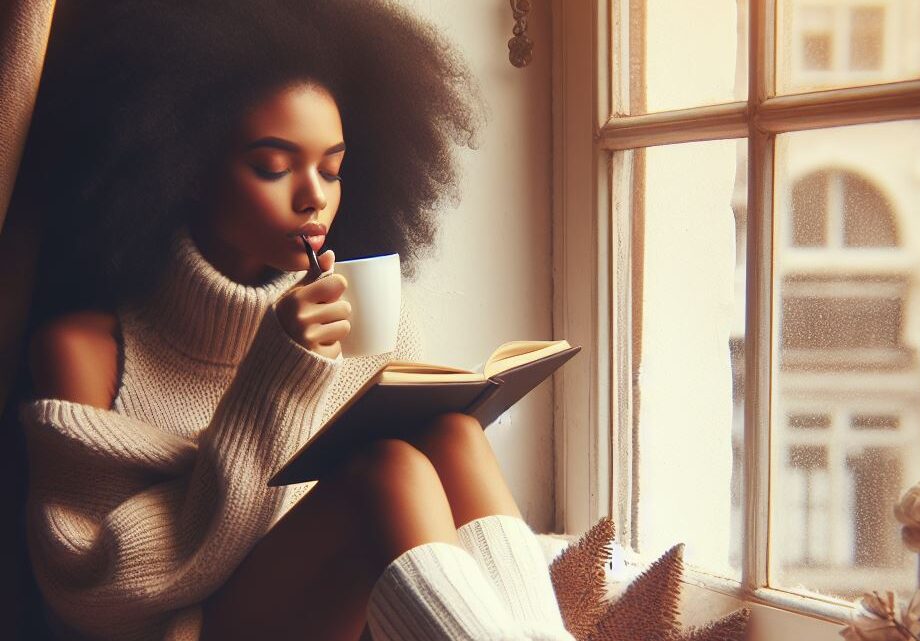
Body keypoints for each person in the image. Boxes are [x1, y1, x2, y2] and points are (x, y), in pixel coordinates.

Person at [15, 1, 576, 640]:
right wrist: (280, 370)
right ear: (186, 168)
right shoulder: (89, 348)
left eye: (332, 169)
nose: (314, 195)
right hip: (198, 628)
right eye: (273, 166)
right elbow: (90, 592)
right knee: (389, 469)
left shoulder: (362, 314)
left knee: (452, 434)